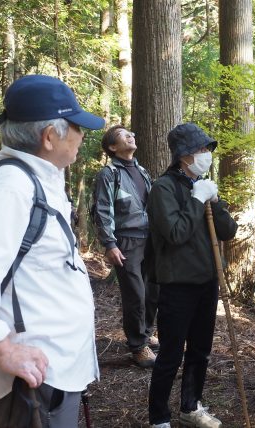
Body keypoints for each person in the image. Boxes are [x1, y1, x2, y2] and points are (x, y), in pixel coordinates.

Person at [0, 75, 104, 427]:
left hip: (50, 372)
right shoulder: (12, 187)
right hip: (31, 380)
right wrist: (2, 348)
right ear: (48, 137)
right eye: (76, 127)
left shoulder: (37, 178)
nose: (82, 135)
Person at [147, 123, 237, 428]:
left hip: (207, 281)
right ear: (183, 155)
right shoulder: (163, 188)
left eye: (207, 149)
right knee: (171, 354)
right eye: (200, 149)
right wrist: (196, 201)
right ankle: (159, 417)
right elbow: (175, 233)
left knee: (200, 351)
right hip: (177, 284)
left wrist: (215, 202)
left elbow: (228, 231)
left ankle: (190, 406)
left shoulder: (203, 185)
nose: (205, 154)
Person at [93, 125, 159, 367]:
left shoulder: (142, 171)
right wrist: (110, 244)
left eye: (132, 133)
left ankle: (146, 333)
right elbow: (102, 210)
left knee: (152, 291)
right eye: (124, 135)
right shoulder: (108, 174)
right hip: (126, 241)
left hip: (149, 238)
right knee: (135, 294)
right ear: (113, 147)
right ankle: (138, 346)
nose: (131, 135)